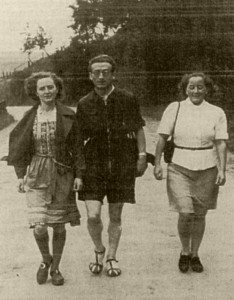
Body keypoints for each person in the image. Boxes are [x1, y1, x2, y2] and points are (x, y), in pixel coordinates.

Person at [8, 72, 85, 285]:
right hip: (36, 172)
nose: (47, 91)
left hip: (62, 173)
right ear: (35, 91)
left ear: (57, 89)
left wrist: (79, 174)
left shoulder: (69, 115)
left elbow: (78, 147)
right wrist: (20, 175)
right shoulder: (30, 116)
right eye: (42, 88)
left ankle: (56, 268)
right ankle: (45, 258)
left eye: (50, 87)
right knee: (40, 225)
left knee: (58, 225)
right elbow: (19, 145)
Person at [76, 54, 147, 277]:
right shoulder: (84, 103)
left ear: (113, 74)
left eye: (105, 72)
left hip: (121, 164)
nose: (101, 76)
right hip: (93, 166)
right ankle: (99, 249)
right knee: (93, 215)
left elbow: (138, 128)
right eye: (96, 72)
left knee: (115, 216)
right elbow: (78, 139)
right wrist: (78, 169)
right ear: (90, 75)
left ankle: (112, 257)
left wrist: (142, 155)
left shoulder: (127, 98)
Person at [154, 72, 228, 273]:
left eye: (200, 87)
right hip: (179, 166)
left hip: (207, 168)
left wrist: (222, 169)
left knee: (200, 214)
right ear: (185, 89)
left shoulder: (216, 112)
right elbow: (161, 137)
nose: (196, 91)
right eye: (191, 87)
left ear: (207, 89)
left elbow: (221, 142)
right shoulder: (174, 108)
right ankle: (184, 251)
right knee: (186, 213)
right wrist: (157, 163)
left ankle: (195, 254)